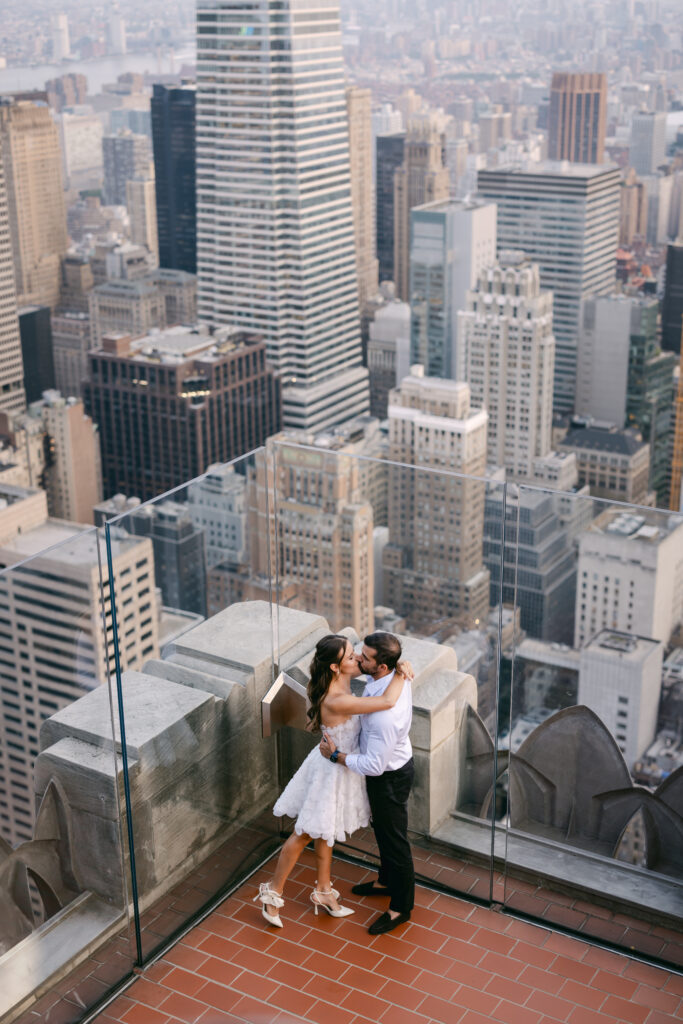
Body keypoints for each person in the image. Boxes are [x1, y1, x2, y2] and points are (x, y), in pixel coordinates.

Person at [254, 633, 411, 929]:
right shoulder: (339, 699)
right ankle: (272, 894)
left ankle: (324, 891)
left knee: (325, 833)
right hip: (330, 771)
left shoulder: (339, 685)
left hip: (338, 767)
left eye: (357, 654)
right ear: (337, 667)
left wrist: (398, 663)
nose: (358, 660)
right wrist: (402, 670)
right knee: (304, 834)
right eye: (352, 656)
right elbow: (389, 701)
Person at [319, 631, 414, 935]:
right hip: (389, 767)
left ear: (382, 667)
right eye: (359, 653)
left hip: (388, 776)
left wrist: (337, 756)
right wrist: (403, 666)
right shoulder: (393, 676)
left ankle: (401, 907)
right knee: (382, 831)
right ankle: (385, 881)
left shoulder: (385, 715)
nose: (359, 658)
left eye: (365, 657)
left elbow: (374, 766)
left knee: (394, 840)